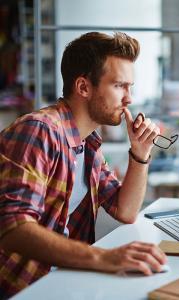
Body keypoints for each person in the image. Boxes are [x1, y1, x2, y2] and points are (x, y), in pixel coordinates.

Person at [0, 32, 167, 298]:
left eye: (130, 87)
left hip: (62, 280)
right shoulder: (40, 130)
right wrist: (102, 258)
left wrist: (140, 152)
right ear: (84, 87)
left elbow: (124, 210)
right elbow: (13, 227)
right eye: (119, 86)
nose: (129, 99)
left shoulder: (87, 145)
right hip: (21, 288)